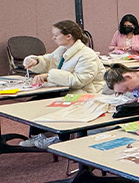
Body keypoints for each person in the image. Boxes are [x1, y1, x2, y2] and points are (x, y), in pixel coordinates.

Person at [20, 20, 106, 148]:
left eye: (56, 35)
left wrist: (50, 76)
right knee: (36, 102)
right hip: (67, 89)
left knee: (54, 104)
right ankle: (39, 135)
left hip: (87, 94)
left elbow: (79, 80)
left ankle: (59, 138)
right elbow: (49, 60)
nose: (53, 38)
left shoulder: (87, 55)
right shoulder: (63, 49)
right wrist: (36, 61)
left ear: (68, 36)